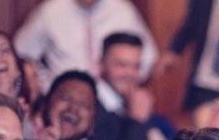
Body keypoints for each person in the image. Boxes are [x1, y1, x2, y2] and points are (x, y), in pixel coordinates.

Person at [14, 0, 158, 91]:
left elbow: (149, 57)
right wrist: (45, 84)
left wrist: (125, 85)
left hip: (113, 105)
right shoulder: (50, 11)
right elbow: (21, 52)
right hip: (64, 99)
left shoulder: (122, 10)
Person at [95, 32, 175, 140]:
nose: (130, 74)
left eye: (136, 66)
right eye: (122, 65)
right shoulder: (91, 106)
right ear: (101, 64)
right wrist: (136, 121)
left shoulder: (132, 103)